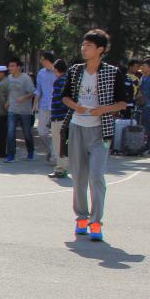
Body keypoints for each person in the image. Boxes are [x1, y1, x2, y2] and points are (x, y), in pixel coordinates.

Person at [61, 29, 129, 242]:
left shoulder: (113, 72)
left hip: (101, 131)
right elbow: (65, 97)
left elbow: (123, 103)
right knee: (79, 176)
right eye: (83, 45)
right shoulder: (75, 70)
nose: (84, 48)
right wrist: (76, 106)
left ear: (100, 49)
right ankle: (81, 218)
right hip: (77, 127)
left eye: (88, 45)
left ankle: (96, 221)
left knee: (96, 176)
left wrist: (104, 110)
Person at [4, 57, 36, 162]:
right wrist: (8, 101)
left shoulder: (26, 78)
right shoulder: (9, 78)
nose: (10, 68)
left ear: (18, 67)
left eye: (12, 66)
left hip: (25, 111)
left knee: (27, 133)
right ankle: (11, 155)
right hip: (12, 109)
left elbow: (33, 92)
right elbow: (10, 92)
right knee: (10, 132)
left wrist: (24, 97)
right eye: (9, 66)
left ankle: (30, 152)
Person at [48, 59, 71, 179]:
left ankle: (61, 169)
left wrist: (53, 116)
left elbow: (59, 100)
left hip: (59, 117)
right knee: (63, 144)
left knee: (58, 145)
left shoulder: (59, 81)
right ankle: (63, 167)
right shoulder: (68, 79)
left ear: (56, 69)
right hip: (65, 117)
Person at [34, 53, 57, 162]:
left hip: (56, 106)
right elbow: (38, 90)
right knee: (41, 131)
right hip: (44, 105)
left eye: (42, 59)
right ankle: (52, 149)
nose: (41, 61)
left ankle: (55, 155)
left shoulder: (57, 71)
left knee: (56, 132)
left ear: (48, 60)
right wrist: (35, 104)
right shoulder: (41, 73)